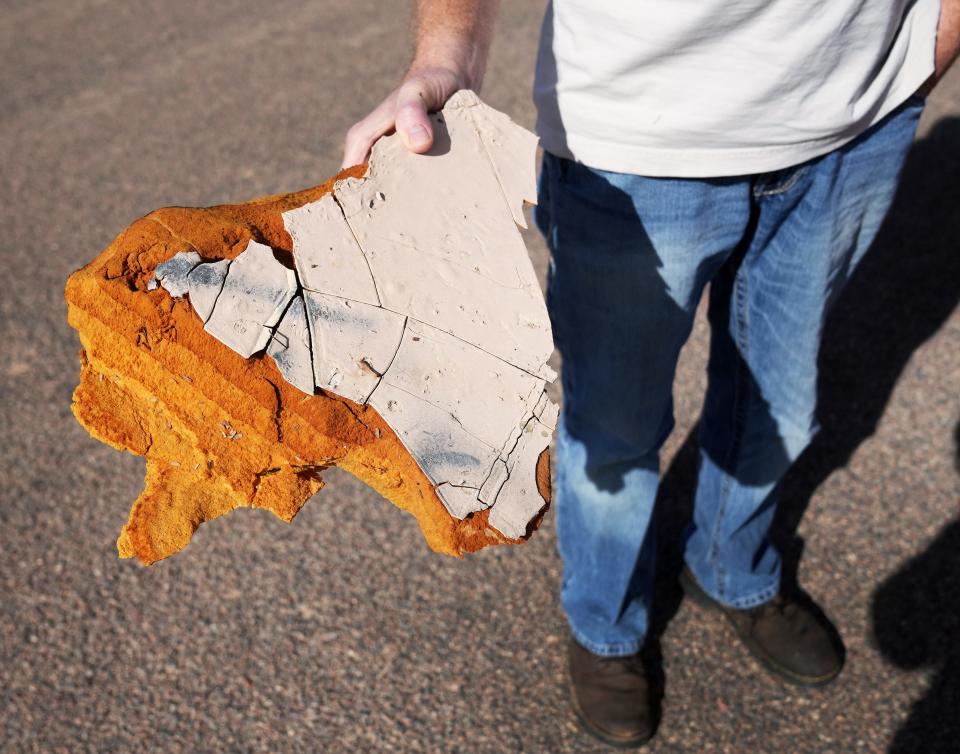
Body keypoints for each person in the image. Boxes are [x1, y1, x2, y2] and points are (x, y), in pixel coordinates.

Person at [342, 0, 960, 747]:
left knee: (784, 401)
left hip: (855, 126)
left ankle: (733, 567)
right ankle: (606, 627)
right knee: (613, 430)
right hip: (634, 146)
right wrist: (444, 60)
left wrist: (931, 47)